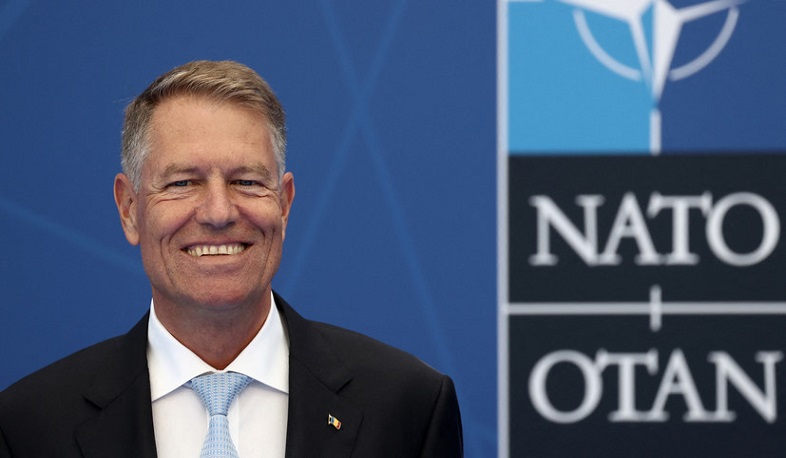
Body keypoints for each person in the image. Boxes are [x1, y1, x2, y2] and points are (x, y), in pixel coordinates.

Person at [0, 60, 463, 457]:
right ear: (129, 209)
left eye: (246, 181)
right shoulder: (29, 426)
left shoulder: (408, 407)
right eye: (183, 183)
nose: (219, 212)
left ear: (283, 205)